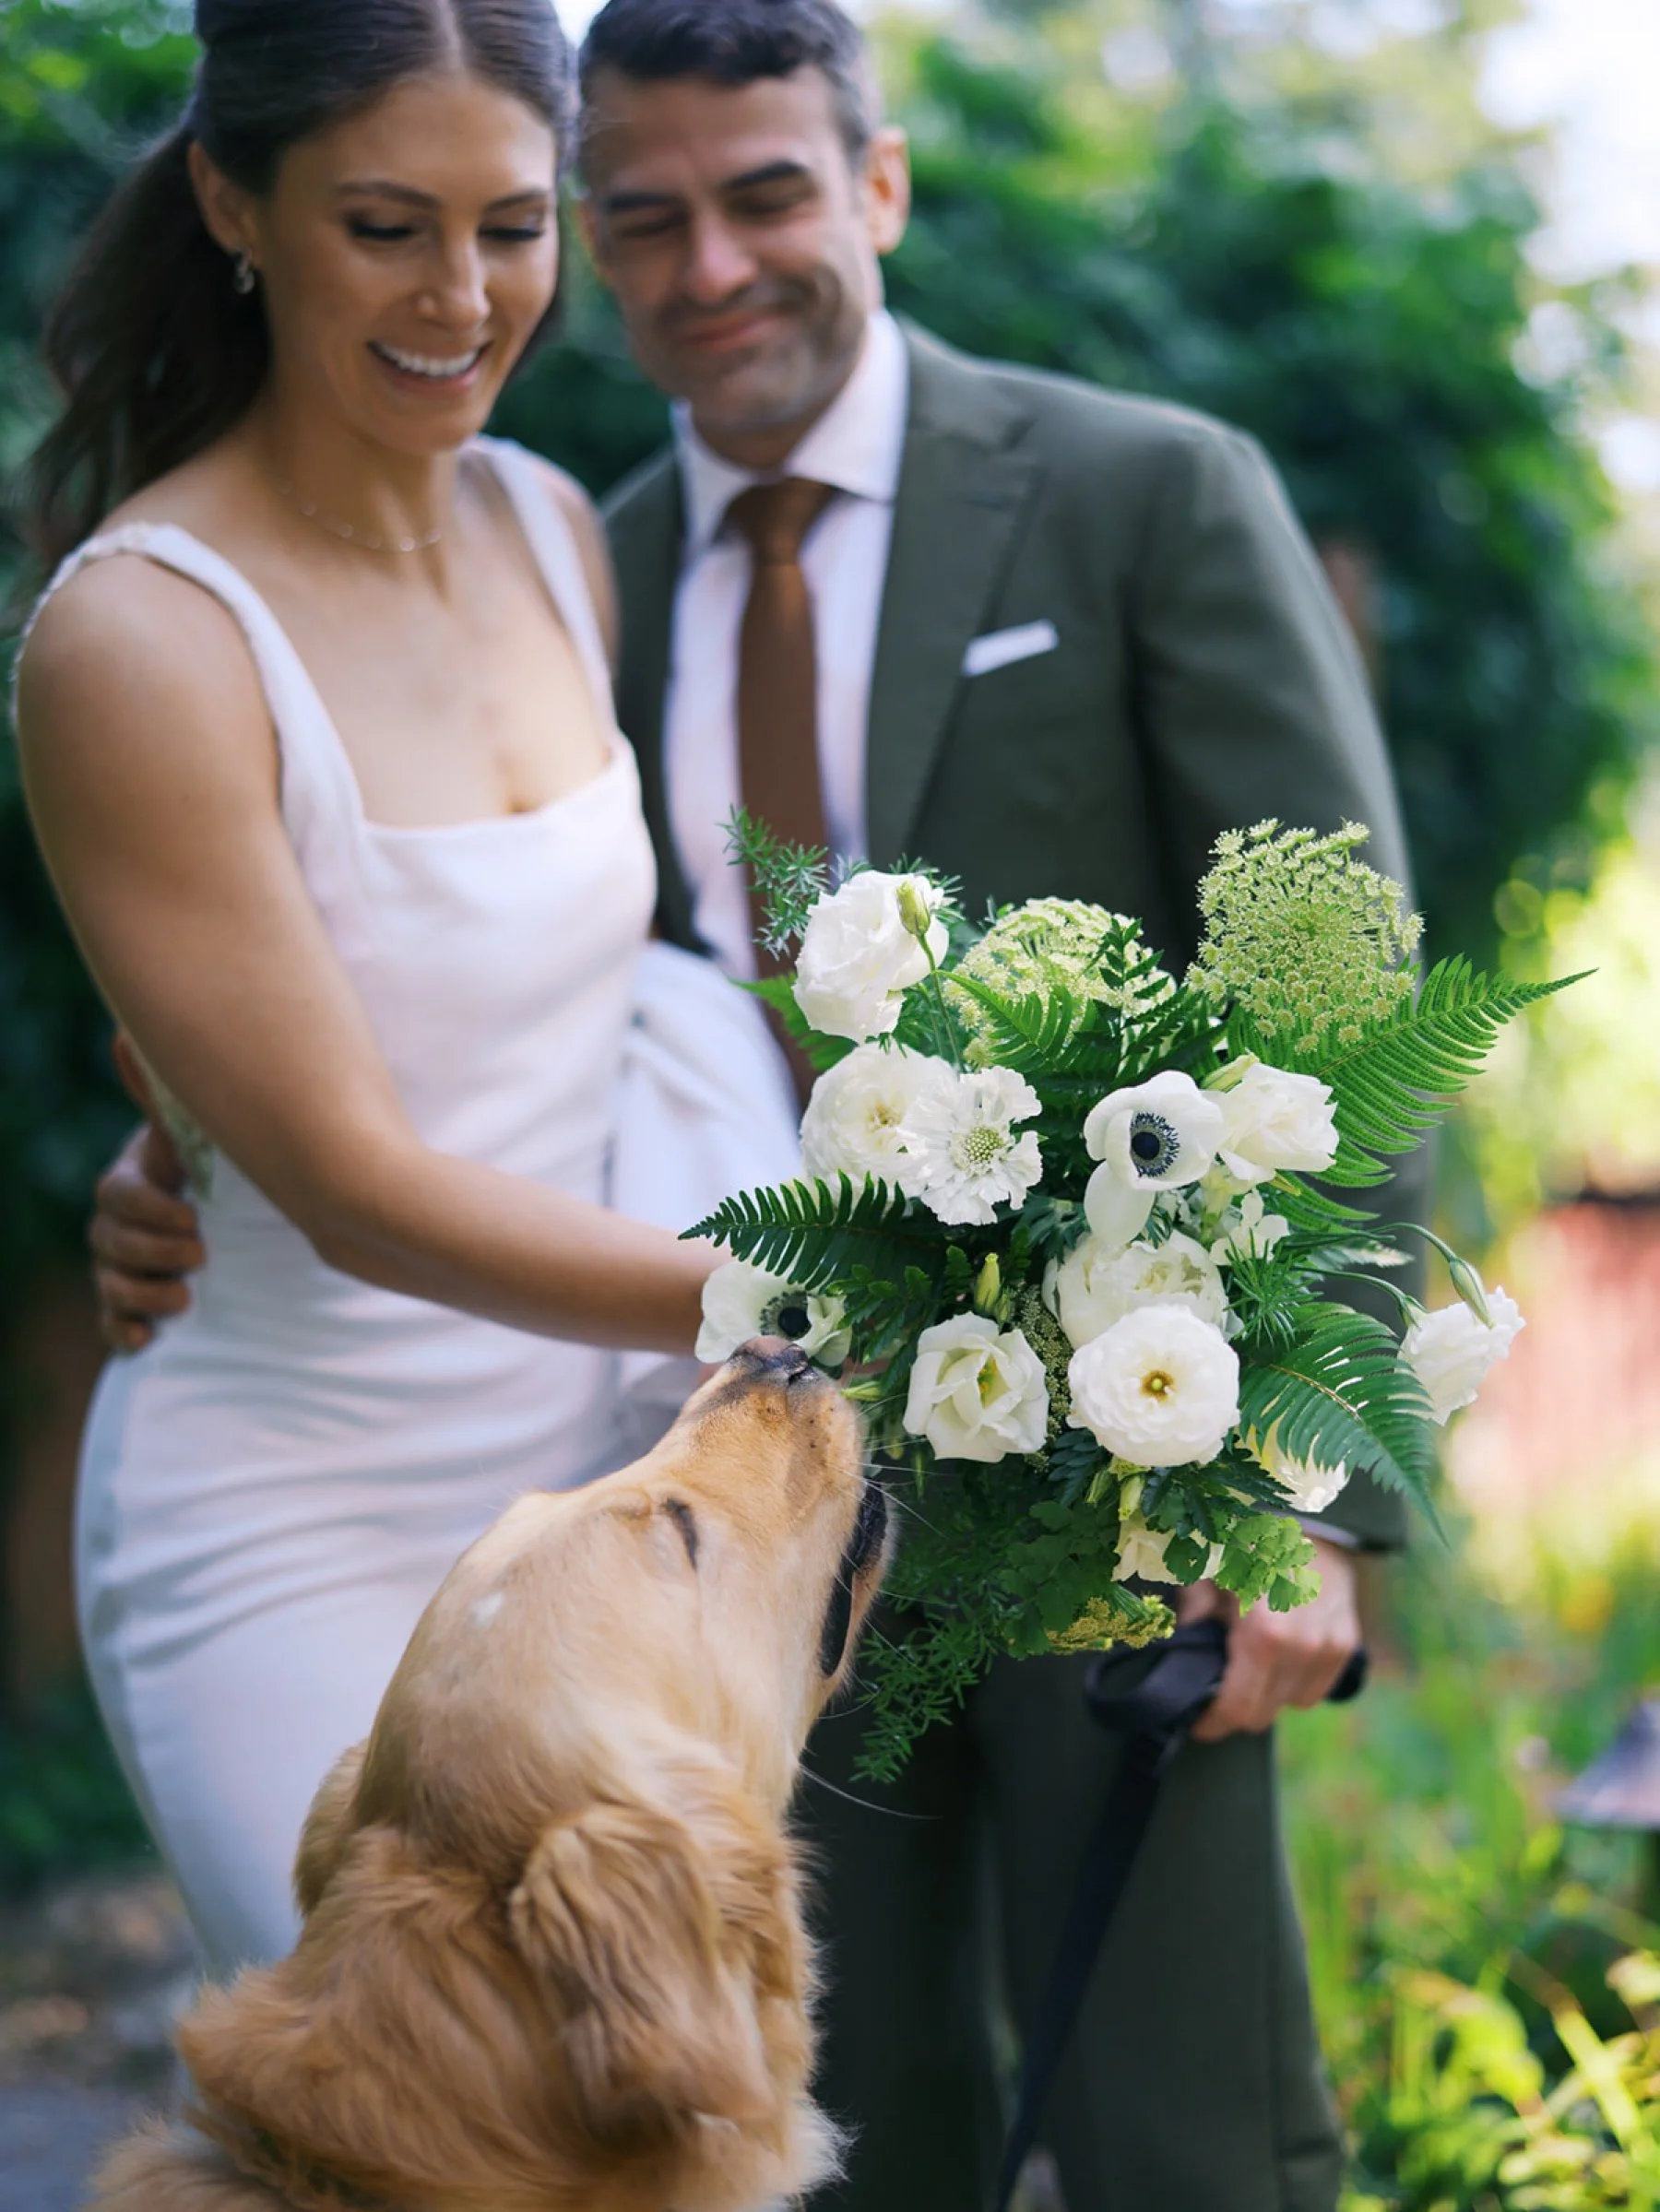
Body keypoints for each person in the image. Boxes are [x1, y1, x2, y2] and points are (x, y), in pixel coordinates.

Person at [89, 1, 1426, 2205]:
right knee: (781, 2134)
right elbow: (439, 984)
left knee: (1188, 2131)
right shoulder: (572, 551)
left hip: (1120, 1500)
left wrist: (1310, 1480)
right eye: (641, 218)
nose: (709, 262)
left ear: (880, 186)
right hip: (720, 1528)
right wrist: (189, 1164)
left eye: (770, 194)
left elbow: (1339, 991)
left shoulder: (1141, 491)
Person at [12, 0, 802, 1981]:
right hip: (287, 1518)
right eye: (385, 225)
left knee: (642, 2117)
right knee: (417, 2124)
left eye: (512, 224)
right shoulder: (143, 637)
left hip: (595, 1488)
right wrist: (815, 1301)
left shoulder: (551, 527)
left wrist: (167, 1110)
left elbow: (522, 981)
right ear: (231, 201)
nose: (462, 297)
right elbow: (356, 1176)